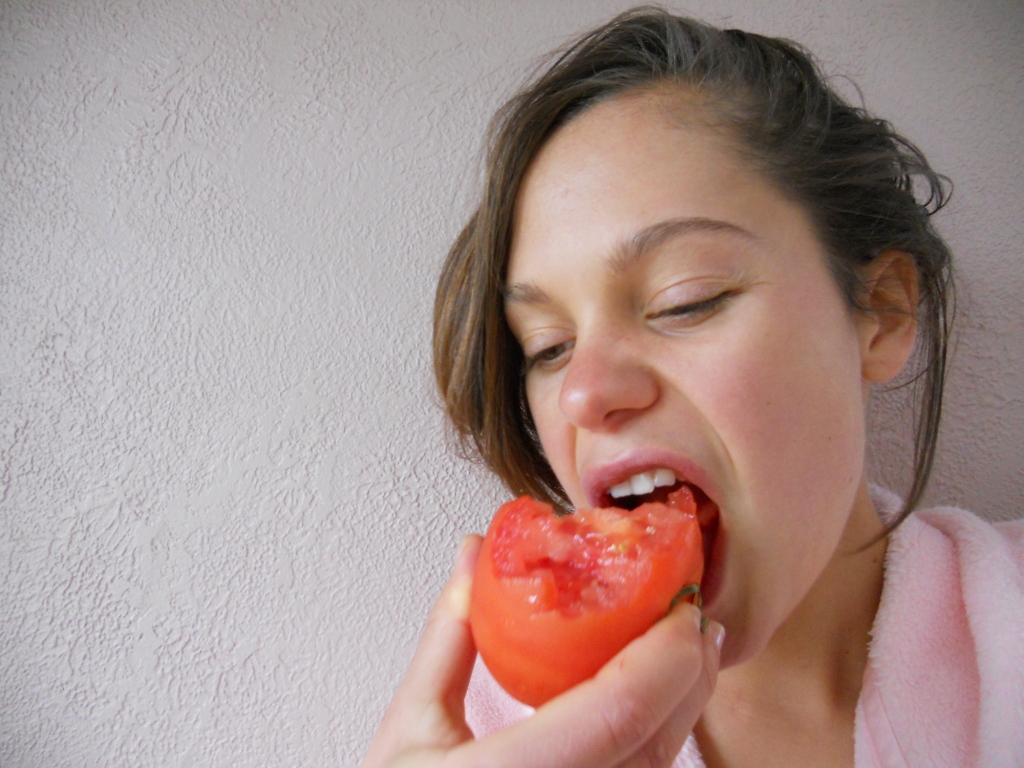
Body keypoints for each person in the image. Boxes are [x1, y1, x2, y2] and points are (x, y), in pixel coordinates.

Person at [361, 8, 1024, 767]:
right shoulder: (488, 743)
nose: (583, 393)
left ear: (881, 311)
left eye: (687, 299)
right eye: (546, 347)